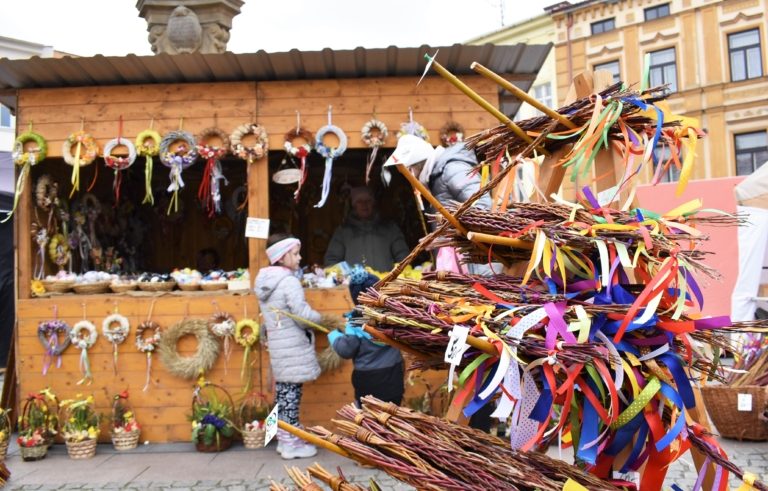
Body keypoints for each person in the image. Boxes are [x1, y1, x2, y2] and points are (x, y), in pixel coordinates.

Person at [383, 134, 497, 431]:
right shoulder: (436, 175)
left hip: (474, 269)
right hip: (459, 266)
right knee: (463, 340)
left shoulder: (449, 168)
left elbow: (481, 203)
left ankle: (481, 421)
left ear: (418, 162)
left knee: (476, 339)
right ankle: (475, 418)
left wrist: (460, 233)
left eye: (410, 168)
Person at [255, 233, 321, 459]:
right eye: (295, 253)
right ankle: (291, 445)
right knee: (291, 396)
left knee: (283, 395)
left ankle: (283, 441)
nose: (300, 257)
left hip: (278, 346)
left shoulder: (265, 282)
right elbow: (301, 314)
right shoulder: (288, 281)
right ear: (281, 257)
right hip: (293, 346)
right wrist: (321, 320)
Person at [327, 266, 404, 407]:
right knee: (393, 412)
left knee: (368, 414)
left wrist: (334, 336)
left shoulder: (356, 321)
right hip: (394, 377)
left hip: (368, 380)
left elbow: (347, 350)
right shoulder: (392, 316)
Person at [324, 186, 410, 273]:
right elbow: (331, 260)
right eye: (359, 201)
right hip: (354, 281)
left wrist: (398, 276)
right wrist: (344, 277)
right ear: (354, 205)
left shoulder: (390, 228)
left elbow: (404, 257)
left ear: (373, 204)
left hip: (386, 280)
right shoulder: (343, 232)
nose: (364, 204)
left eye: (368, 201)